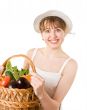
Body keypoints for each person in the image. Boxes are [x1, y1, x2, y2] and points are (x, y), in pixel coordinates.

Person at [24, 10, 78, 110]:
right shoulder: (31, 54)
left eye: (57, 30)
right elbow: (19, 86)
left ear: (64, 33)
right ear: (42, 35)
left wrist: (41, 93)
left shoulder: (70, 65)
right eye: (47, 31)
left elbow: (55, 107)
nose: (53, 36)